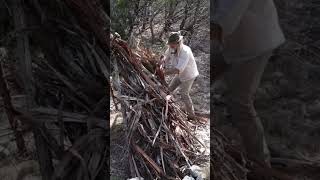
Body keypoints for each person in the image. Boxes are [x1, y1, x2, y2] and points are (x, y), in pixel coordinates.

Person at [211, 0, 285, 167]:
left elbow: (223, 21)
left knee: (239, 102)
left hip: (255, 43)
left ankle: (260, 163)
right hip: (233, 41)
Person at [162, 32, 199, 119]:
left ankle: (191, 115)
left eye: (173, 44)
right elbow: (165, 58)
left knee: (184, 94)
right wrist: (161, 64)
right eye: (170, 43)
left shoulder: (185, 51)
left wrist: (164, 73)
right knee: (168, 90)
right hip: (180, 74)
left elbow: (178, 70)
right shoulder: (171, 48)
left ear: (178, 43)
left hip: (189, 75)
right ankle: (165, 107)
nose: (170, 45)